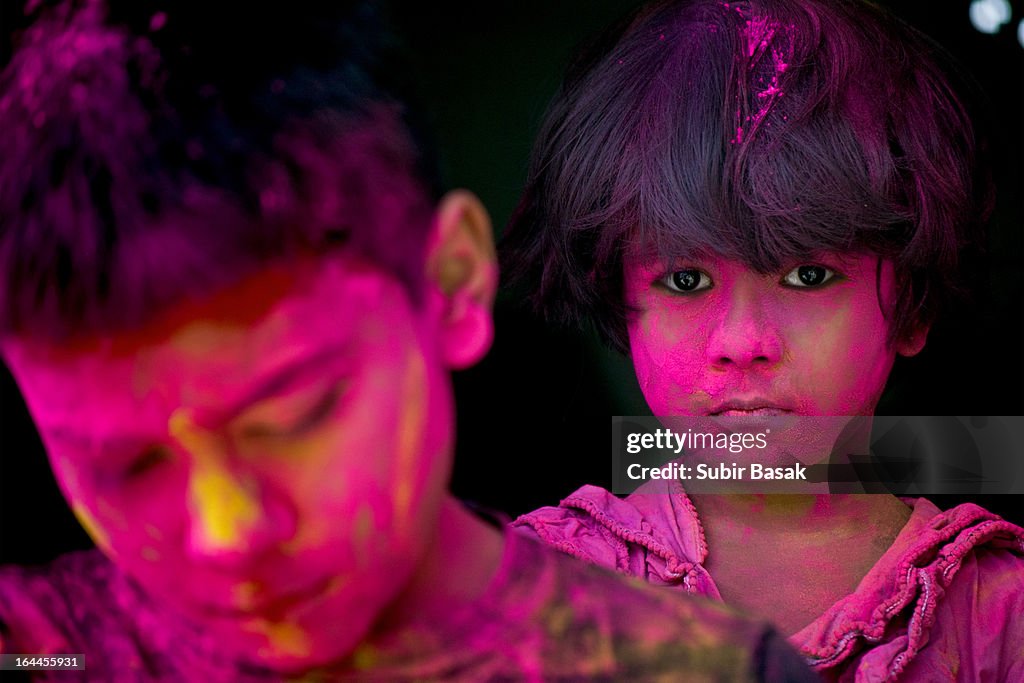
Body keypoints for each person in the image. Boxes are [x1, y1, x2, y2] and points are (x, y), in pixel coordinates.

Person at [0, 1, 821, 680]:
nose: (228, 531)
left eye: (296, 416)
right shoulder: (37, 648)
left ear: (456, 283)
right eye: (126, 464)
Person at [502, 0, 1024, 680]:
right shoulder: (532, 597)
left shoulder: (1000, 615)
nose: (743, 340)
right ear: (620, 303)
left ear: (912, 307)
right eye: (685, 279)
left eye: (809, 274)